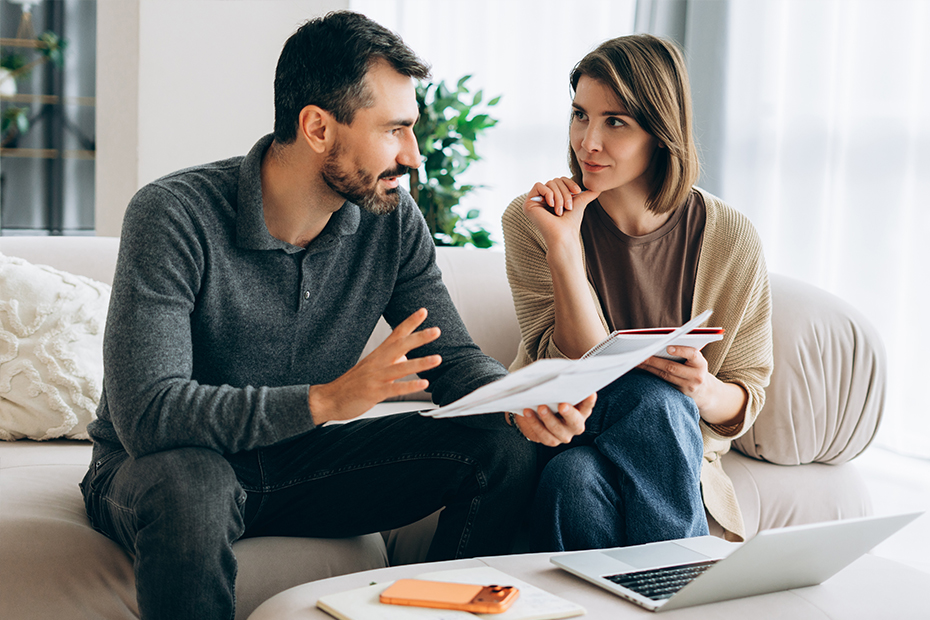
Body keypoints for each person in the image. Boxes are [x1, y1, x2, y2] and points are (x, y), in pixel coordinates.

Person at [79, 12, 595, 620]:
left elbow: (448, 356)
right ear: (318, 127)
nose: (414, 155)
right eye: (395, 129)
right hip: (157, 472)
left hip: (297, 465)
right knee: (195, 484)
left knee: (499, 448)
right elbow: (150, 417)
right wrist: (324, 401)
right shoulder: (174, 215)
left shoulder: (390, 221)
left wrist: (516, 399)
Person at [501, 34, 773, 551]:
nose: (588, 141)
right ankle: (686, 584)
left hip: (655, 451)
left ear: (661, 133)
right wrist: (563, 246)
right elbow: (571, 365)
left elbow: (746, 395)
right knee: (650, 400)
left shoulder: (730, 236)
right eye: (580, 115)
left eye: (615, 122)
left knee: (574, 484)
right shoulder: (533, 219)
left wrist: (699, 387)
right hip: (571, 422)